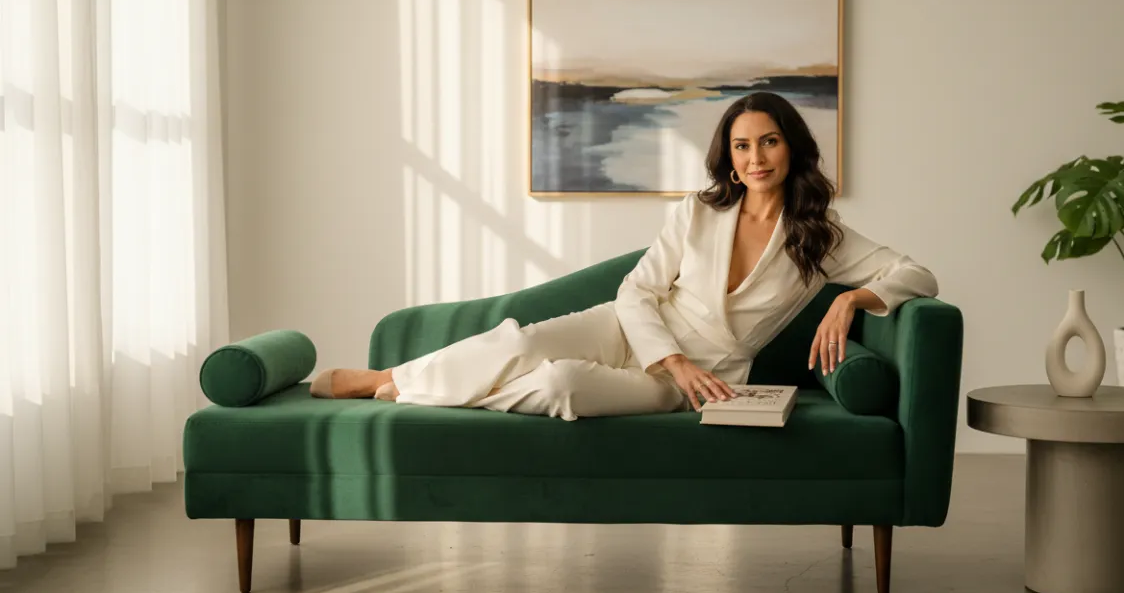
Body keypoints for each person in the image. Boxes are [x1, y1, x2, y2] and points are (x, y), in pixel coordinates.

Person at [310, 91, 939, 420]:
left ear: (792, 148)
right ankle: (385, 382)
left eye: (769, 143)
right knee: (522, 344)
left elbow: (918, 274)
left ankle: (422, 390)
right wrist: (667, 353)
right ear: (730, 154)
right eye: (743, 146)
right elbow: (636, 291)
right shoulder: (700, 210)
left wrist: (854, 298)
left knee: (559, 384)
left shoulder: (819, 236)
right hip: (630, 330)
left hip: (700, 379)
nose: (756, 158)